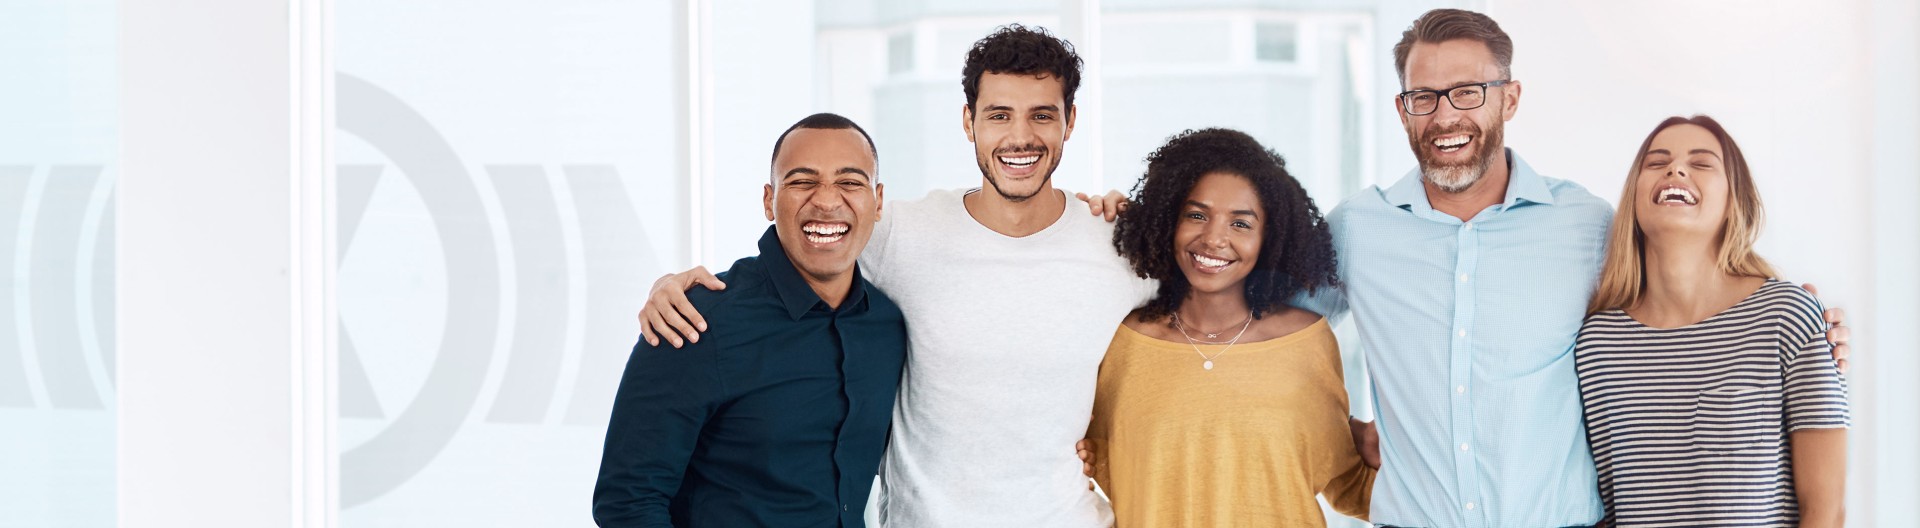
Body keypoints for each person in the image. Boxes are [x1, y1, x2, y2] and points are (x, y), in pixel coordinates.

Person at [1282, 9, 1851, 527]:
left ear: (1510, 99)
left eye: (1467, 92)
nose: (1444, 115)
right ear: (1402, 109)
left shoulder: (1588, 225)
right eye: (1424, 96)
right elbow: (1265, 330)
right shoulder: (1357, 229)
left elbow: (1687, 299)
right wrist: (1339, 433)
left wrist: (1805, 334)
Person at [639, 25, 1157, 527]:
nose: (1020, 137)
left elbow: (1200, 312)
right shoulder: (901, 235)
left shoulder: (1119, 246)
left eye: (1041, 115)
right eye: (999, 114)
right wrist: (677, 286)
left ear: (1070, 121)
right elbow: (798, 252)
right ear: (968, 121)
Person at [592, 113, 905, 527]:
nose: (827, 201)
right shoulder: (694, 320)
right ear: (768, 201)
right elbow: (627, 501)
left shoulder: (888, 325)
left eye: (850, 182)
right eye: (802, 181)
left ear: (878, 201)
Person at [1084, 128, 1373, 526]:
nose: (1214, 239)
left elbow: (1347, 482)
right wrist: (1084, 229)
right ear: (1168, 220)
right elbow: (1075, 464)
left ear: (1270, 237)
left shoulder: (1306, 340)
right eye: (1196, 215)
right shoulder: (1123, 341)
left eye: (1241, 224)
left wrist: (1401, 453)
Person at [1575, 115, 1848, 527]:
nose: (1675, 170)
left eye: (1701, 163)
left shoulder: (1787, 317)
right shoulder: (1598, 344)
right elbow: (1605, 510)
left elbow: (1825, 510)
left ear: (1734, 201)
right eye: (1657, 162)